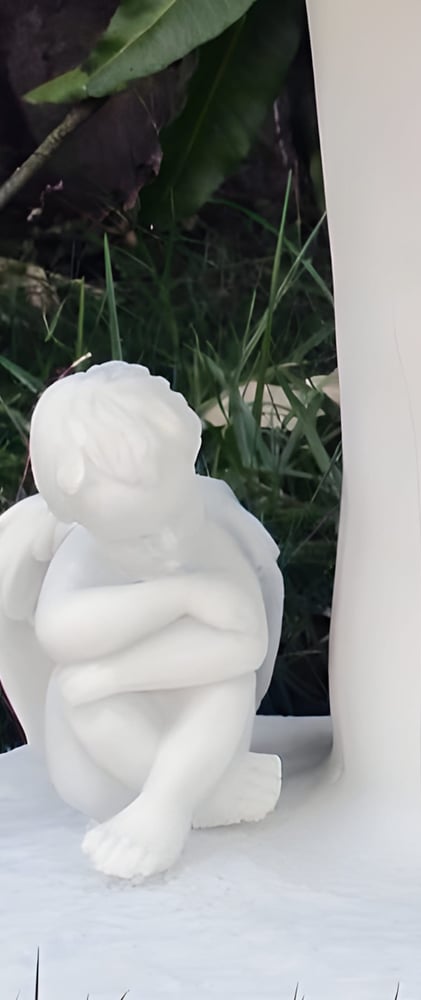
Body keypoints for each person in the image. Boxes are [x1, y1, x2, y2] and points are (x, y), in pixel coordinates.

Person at [0, 362, 283, 879]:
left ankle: (168, 802)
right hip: (103, 764)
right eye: (140, 538)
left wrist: (116, 673)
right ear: (83, 521)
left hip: (202, 732)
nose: (171, 546)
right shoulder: (84, 551)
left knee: (227, 684)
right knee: (81, 696)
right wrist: (178, 595)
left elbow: (247, 643)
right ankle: (199, 796)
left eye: (179, 514)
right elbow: (59, 632)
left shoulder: (212, 530)